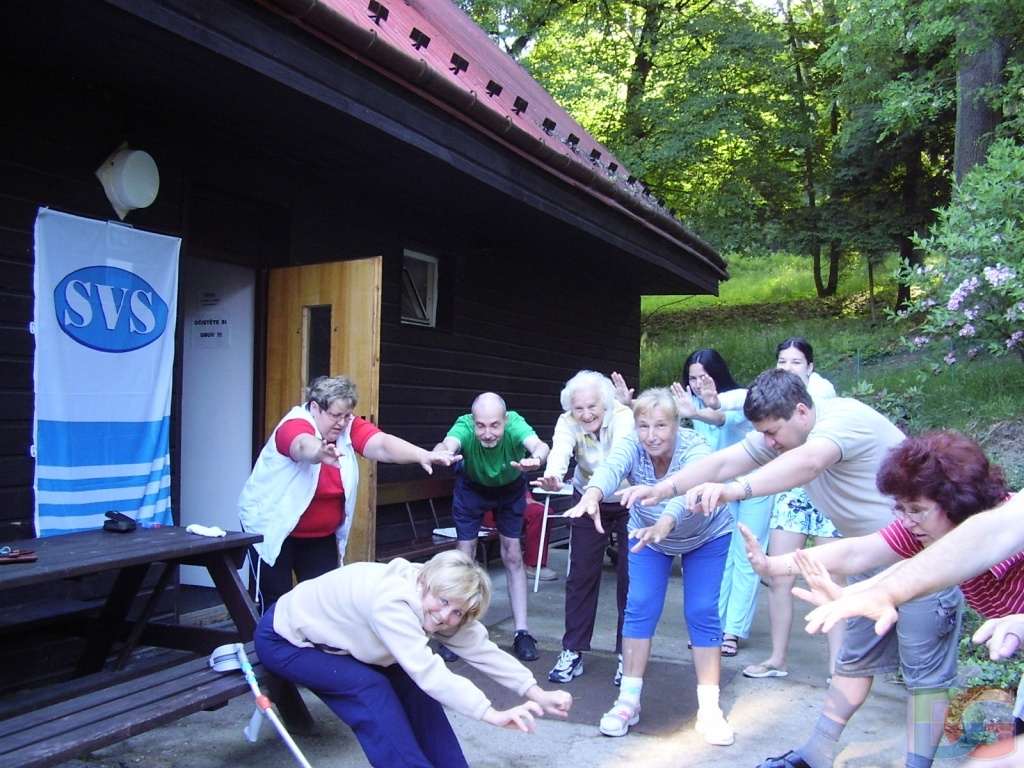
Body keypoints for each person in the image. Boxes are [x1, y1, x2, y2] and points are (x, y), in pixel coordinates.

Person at [618, 369, 961, 768]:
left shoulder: (839, 420)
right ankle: (815, 755)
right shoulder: (784, 434)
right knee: (853, 663)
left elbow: (810, 463)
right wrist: (666, 488)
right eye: (762, 433)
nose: (768, 442)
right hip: (874, 560)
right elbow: (725, 461)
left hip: (927, 561)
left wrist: (737, 490)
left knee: (925, 681)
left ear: (801, 411)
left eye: (772, 432)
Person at [742, 431, 1015, 768]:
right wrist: (774, 565)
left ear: (958, 500)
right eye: (901, 508)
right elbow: (860, 552)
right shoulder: (929, 527)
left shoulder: (1010, 530)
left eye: (917, 510)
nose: (906, 520)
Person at [253, 549, 573, 767]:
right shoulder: (392, 601)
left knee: (412, 688)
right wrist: (490, 714)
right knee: (369, 687)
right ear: (424, 582)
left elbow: (481, 648)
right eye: (443, 601)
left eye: (457, 612)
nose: (446, 615)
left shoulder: (434, 600)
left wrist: (536, 693)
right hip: (286, 640)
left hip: (341, 642)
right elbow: (430, 672)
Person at [565, 388, 736, 746]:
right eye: (644, 425)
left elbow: (689, 494)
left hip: (705, 534)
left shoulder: (697, 448)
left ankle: (709, 709)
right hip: (646, 533)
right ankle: (628, 702)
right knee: (640, 606)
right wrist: (593, 494)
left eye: (660, 425)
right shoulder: (632, 444)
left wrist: (666, 522)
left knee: (702, 610)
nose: (651, 435)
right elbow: (610, 468)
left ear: (677, 424)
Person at [238, 375, 461, 610]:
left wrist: (422, 455)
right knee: (275, 604)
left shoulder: (348, 426)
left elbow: (383, 444)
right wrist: (318, 453)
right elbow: (302, 445)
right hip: (273, 528)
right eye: (335, 416)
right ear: (315, 407)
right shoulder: (295, 423)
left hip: (319, 536)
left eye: (347, 416)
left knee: (323, 604)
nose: (342, 423)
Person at [745, 338, 845, 680]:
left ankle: (838, 668)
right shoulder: (770, 396)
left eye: (796, 362)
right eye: (782, 362)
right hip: (792, 493)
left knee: (831, 580)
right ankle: (777, 659)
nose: (789, 367)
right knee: (778, 577)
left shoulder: (823, 395)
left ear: (810, 367)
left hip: (828, 491)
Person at [533, 370, 635, 685]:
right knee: (580, 576)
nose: (586, 414)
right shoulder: (567, 422)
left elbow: (620, 457)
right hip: (586, 498)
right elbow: (561, 450)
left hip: (628, 497)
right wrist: (553, 475)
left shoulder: (622, 416)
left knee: (630, 579)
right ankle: (573, 651)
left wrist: (599, 489)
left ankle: (627, 654)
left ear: (605, 403)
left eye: (592, 407)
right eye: (579, 409)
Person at [433, 392, 550, 661]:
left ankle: (522, 632)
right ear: (473, 421)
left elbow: (540, 445)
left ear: (505, 421)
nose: (487, 433)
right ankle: (454, 632)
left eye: (495, 425)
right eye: (481, 425)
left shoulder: (516, 424)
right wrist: (442, 452)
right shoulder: (463, 426)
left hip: (510, 489)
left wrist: (536, 459)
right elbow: (447, 443)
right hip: (471, 488)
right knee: (464, 558)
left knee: (512, 554)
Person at [673, 348, 773, 659]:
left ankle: (733, 630)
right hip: (718, 488)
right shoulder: (690, 404)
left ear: (718, 374)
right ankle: (711, 628)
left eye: (704, 376)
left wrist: (706, 406)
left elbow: (719, 416)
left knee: (746, 554)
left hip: (756, 485)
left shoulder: (740, 398)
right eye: (692, 378)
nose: (699, 383)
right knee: (719, 554)